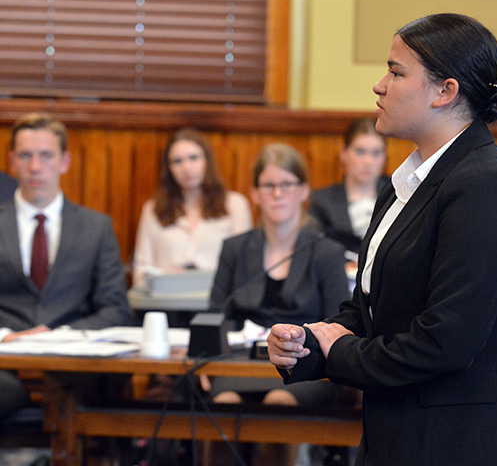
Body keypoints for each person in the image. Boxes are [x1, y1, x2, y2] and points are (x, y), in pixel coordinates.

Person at [268, 13, 497, 466]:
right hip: (396, 434)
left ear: (445, 91)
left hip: (461, 444)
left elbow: (444, 342)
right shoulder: (405, 183)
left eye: (396, 73)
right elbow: (370, 310)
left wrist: (337, 351)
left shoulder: (487, 187)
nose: (379, 85)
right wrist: (307, 345)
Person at [207, 143, 350, 465]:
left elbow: (338, 320)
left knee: (278, 402)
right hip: (240, 363)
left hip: (304, 367)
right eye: (268, 186)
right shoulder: (235, 248)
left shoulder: (326, 252)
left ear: (303, 191)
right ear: (254, 194)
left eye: (287, 185)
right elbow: (216, 313)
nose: (277, 194)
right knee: (225, 403)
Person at [0, 112, 133, 420]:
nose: (35, 167)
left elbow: (116, 309)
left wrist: (55, 335)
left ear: (65, 161)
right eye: (25, 155)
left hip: (76, 360)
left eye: (46, 155)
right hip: (5, 361)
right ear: (12, 162)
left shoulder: (95, 227)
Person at [132, 128, 252, 289]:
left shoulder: (234, 205)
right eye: (177, 161)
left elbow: (244, 268)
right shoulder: (153, 209)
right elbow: (140, 272)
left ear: (207, 161)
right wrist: (166, 277)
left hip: (215, 301)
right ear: (169, 168)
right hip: (167, 300)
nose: (186, 167)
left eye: (193, 158)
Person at [308, 117, 389, 278]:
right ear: (343, 153)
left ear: (385, 156)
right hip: (339, 278)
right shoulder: (323, 200)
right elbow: (314, 249)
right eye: (360, 152)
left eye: (376, 153)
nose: (368, 161)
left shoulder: (398, 195)